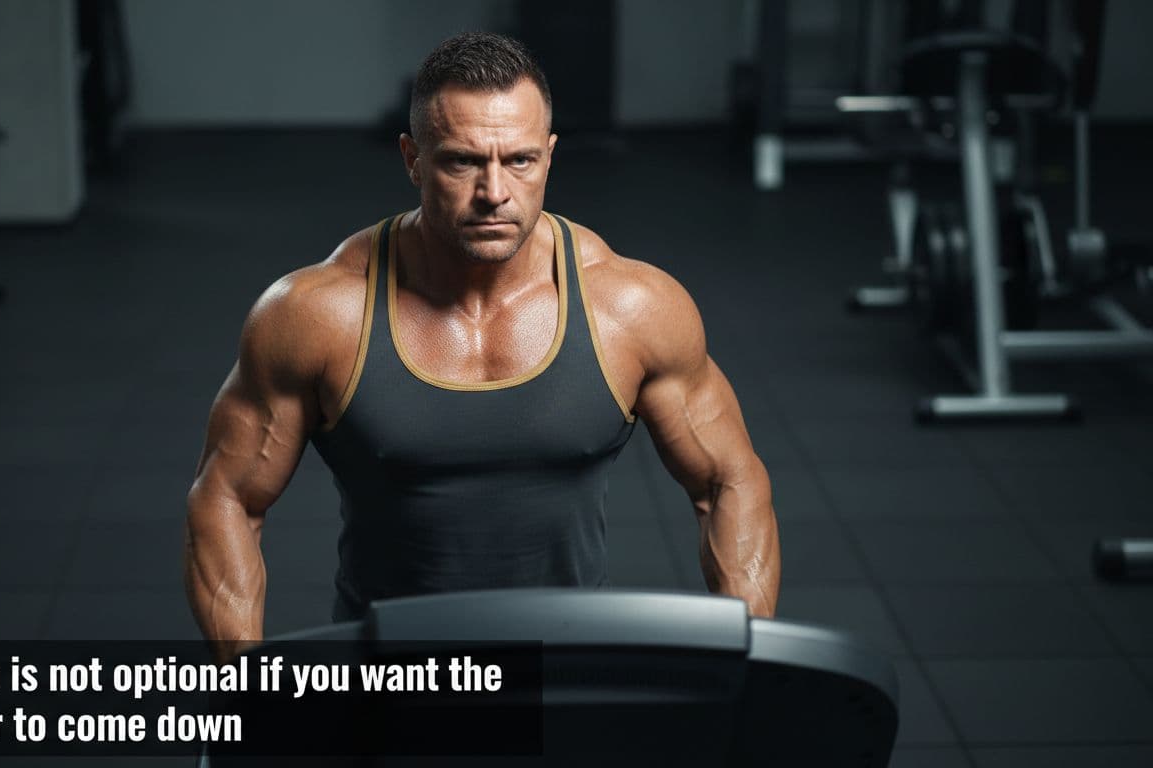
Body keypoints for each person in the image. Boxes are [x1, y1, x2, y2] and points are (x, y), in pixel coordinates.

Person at [185, 32, 779, 662]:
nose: (494, 192)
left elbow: (727, 482)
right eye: (463, 162)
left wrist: (750, 666)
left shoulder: (631, 308)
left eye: (520, 160)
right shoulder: (317, 313)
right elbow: (227, 497)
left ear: (550, 157)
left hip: (568, 673)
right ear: (413, 159)